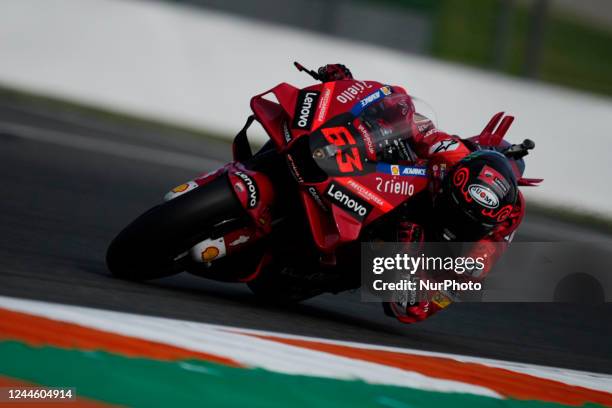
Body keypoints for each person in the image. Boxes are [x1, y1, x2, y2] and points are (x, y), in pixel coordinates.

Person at [317, 64, 526, 323]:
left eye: (461, 218)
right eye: (452, 203)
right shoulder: (452, 152)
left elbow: (414, 310)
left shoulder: (480, 257)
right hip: (386, 189)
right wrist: (348, 87)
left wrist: (407, 261)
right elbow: (406, 116)